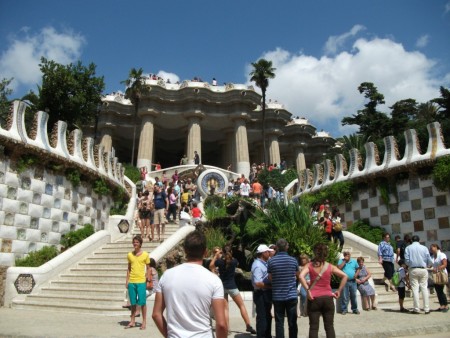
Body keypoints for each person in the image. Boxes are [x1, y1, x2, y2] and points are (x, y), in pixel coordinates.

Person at [152, 231, 227, 337]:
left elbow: (156, 314)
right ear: (205, 252)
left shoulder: (167, 276)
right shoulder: (214, 280)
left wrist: (169, 335)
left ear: (185, 250)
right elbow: (221, 324)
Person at [299, 243, 347, 338]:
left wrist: (308, 290)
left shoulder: (309, 265)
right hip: (328, 298)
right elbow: (345, 276)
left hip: (314, 298)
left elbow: (301, 276)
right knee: (329, 327)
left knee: (313, 327)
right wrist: (339, 290)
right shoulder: (330, 266)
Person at [209, 245, 256, 334]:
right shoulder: (234, 261)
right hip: (233, 286)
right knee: (241, 305)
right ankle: (248, 325)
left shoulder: (219, 262)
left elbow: (211, 266)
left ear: (222, 252)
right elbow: (234, 263)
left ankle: (228, 329)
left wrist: (216, 256)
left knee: (226, 309)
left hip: (223, 287)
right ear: (231, 252)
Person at [267, 238, 299, 338]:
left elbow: (270, 277)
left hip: (277, 296)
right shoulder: (293, 260)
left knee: (279, 322)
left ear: (277, 248)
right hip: (291, 295)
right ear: (286, 247)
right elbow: (298, 275)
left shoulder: (271, 261)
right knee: (292, 321)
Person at [125, 235, 151, 330]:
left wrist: (147, 280)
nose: (135, 244)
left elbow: (148, 269)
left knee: (142, 303)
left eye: (137, 242)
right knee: (133, 303)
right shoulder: (129, 255)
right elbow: (128, 269)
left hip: (141, 281)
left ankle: (144, 322)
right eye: (134, 242)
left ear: (140, 244)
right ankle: (132, 321)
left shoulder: (145, 255)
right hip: (132, 281)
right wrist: (127, 280)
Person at [404, 235, 433, 314]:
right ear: (419, 240)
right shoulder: (424, 248)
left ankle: (416, 308)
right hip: (423, 269)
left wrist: (411, 264)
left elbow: (406, 260)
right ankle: (426, 308)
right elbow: (429, 259)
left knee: (415, 289)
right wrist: (428, 264)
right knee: (424, 288)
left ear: (412, 240)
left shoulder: (408, 248)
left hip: (413, 269)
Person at [251, 244, 274, 338]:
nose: (269, 253)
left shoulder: (265, 262)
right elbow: (258, 282)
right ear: (263, 253)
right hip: (261, 293)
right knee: (262, 317)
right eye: (267, 251)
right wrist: (270, 286)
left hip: (265, 293)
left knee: (267, 316)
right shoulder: (257, 265)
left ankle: (267, 335)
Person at [430, 244, 448, 312]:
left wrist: (437, 268)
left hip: (441, 273)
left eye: (432, 248)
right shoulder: (432, 256)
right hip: (435, 274)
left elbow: (444, 264)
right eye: (430, 249)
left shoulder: (442, 255)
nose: (431, 249)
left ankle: (445, 305)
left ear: (436, 247)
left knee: (440, 290)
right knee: (437, 290)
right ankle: (442, 305)